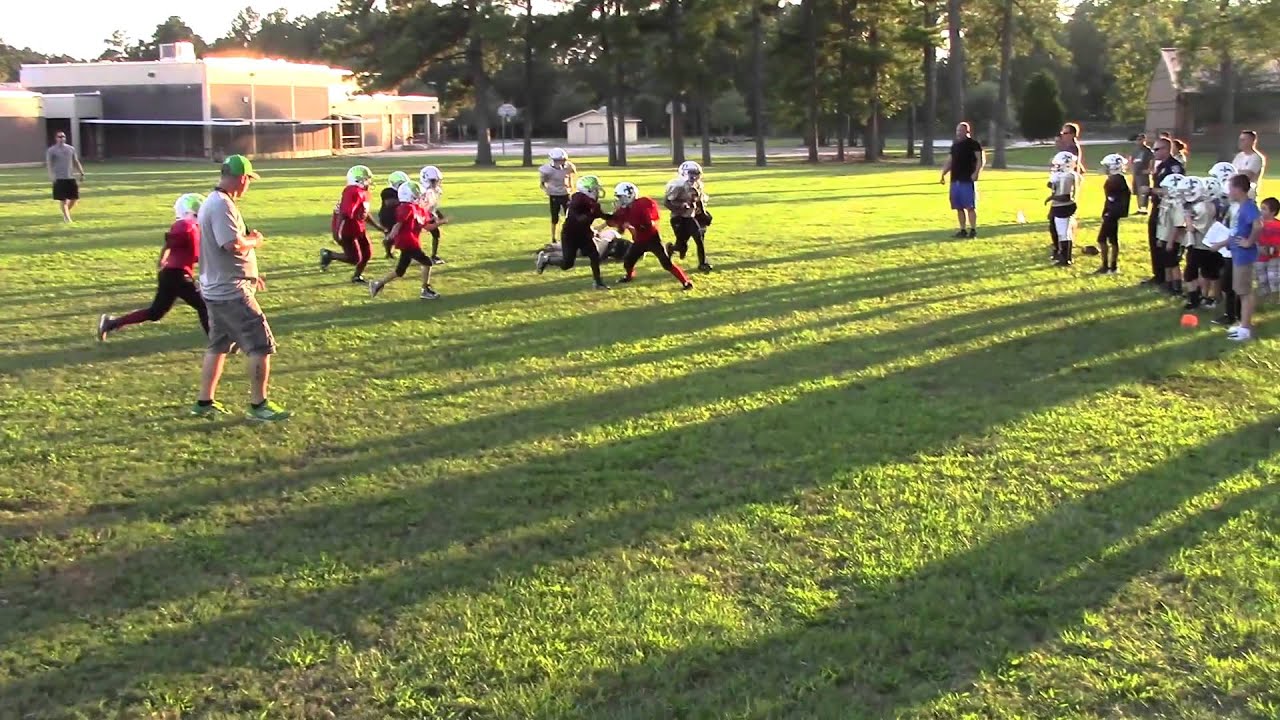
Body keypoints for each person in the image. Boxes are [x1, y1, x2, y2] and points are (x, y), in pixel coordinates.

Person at [192, 155, 289, 421]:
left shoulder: (213, 201)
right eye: (249, 180)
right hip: (230, 292)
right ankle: (259, 406)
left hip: (217, 288)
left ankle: (204, 401)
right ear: (242, 178)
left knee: (218, 345)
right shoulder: (222, 205)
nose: (248, 186)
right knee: (260, 345)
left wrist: (250, 274)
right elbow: (231, 244)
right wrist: (254, 241)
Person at [97, 193, 211, 341]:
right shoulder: (186, 225)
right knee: (205, 305)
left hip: (172, 274)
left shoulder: (190, 227)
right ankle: (217, 342)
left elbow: (185, 250)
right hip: (177, 275)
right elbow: (174, 242)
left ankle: (111, 323)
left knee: (155, 313)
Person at [369, 180, 447, 300]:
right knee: (427, 262)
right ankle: (425, 289)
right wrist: (390, 236)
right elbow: (398, 224)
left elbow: (427, 227)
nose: (421, 197)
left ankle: (377, 284)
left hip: (411, 242)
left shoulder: (417, 209)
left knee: (400, 271)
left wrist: (440, 222)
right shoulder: (407, 208)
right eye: (417, 194)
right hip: (407, 242)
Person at [607, 182, 693, 290]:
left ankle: (685, 282)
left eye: (621, 197)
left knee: (667, 264)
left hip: (652, 239)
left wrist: (632, 225)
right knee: (628, 262)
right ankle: (629, 276)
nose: (619, 200)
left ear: (629, 195)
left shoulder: (642, 204)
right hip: (639, 241)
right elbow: (620, 229)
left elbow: (648, 224)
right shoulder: (624, 210)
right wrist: (616, 219)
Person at [1208, 174, 1262, 342]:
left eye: (1231, 188)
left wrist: (1249, 242)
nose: (1229, 192)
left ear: (1238, 189)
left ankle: (1245, 329)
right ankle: (1243, 325)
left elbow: (1258, 225)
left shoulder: (1249, 206)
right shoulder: (1240, 206)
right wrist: (1221, 244)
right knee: (1240, 291)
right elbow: (1236, 233)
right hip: (1237, 254)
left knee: (1245, 292)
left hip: (1244, 256)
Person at [537, 174, 610, 290]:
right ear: (588, 190)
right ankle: (547, 259)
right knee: (567, 264)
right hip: (570, 236)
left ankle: (598, 282)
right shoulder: (578, 199)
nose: (597, 192)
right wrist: (591, 214)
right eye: (595, 189)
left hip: (584, 234)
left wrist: (617, 215)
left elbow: (603, 216)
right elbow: (577, 218)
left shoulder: (591, 203)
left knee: (594, 255)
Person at [320, 165, 380, 284]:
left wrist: (378, 227)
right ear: (358, 180)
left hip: (358, 227)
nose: (369, 181)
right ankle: (330, 255)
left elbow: (364, 213)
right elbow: (345, 213)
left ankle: (357, 277)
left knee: (367, 253)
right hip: (347, 229)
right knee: (354, 258)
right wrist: (340, 231)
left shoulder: (364, 192)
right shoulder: (352, 191)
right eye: (366, 179)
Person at [1145, 137, 1187, 287]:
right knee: (1155, 240)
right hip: (1159, 206)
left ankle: (1166, 277)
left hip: (1169, 209)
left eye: (1157, 149)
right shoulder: (1161, 165)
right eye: (1153, 149)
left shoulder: (1174, 167)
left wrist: (1151, 190)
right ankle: (1158, 274)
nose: (1154, 152)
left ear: (1166, 149)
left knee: (1164, 242)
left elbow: (1173, 191)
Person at [665, 160, 713, 272]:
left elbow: (699, 200)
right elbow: (667, 202)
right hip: (678, 218)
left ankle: (702, 263)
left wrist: (704, 214)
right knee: (681, 246)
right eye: (691, 173)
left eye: (696, 173)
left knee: (698, 237)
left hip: (690, 217)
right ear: (684, 173)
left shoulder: (698, 185)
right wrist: (680, 208)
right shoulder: (677, 186)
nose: (694, 176)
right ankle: (671, 248)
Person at [1180, 176, 1220, 309]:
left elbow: (1192, 228)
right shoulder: (1210, 203)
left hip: (1199, 244)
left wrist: (1186, 216)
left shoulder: (1200, 207)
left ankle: (1195, 298)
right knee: (1209, 273)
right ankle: (1206, 297)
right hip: (1209, 244)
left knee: (1192, 273)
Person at [939, 122, 984, 238]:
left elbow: (980, 160)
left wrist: (976, 173)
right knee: (958, 207)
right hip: (955, 179)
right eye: (957, 130)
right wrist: (943, 173)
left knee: (970, 206)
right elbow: (950, 161)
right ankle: (963, 230)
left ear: (967, 131)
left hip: (967, 179)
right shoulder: (955, 146)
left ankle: (973, 230)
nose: (958, 133)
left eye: (961, 130)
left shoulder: (974, 144)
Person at [1095, 154, 1131, 274]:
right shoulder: (1117, 178)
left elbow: (1117, 199)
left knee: (1102, 239)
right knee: (1112, 239)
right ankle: (1113, 266)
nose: (1105, 168)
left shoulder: (1116, 180)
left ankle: (1107, 266)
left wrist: (1110, 212)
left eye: (1107, 166)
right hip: (1112, 213)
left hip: (1112, 214)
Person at [1156, 171, 1188, 295]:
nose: (1163, 191)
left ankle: (1177, 287)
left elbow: (1178, 225)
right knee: (1166, 263)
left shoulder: (1177, 205)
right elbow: (1163, 222)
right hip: (1164, 236)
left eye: (1166, 188)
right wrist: (1160, 237)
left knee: (1173, 263)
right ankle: (1168, 285)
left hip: (1174, 239)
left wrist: (1170, 241)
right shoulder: (1166, 202)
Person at [1046, 151, 1080, 266]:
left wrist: (1051, 197)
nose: (1056, 167)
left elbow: (1066, 196)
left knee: (1063, 232)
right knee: (1054, 229)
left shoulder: (1068, 175)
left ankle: (1066, 258)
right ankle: (1059, 252)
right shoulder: (1061, 175)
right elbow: (1052, 186)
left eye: (1058, 165)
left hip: (1064, 206)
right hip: (1058, 205)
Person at [46, 131, 86, 223]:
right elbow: (49, 164)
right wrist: (51, 175)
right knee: (63, 200)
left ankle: (65, 213)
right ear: (56, 138)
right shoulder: (51, 150)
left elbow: (75, 161)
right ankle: (68, 219)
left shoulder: (71, 149)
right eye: (59, 137)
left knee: (74, 198)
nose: (61, 138)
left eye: (63, 136)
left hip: (70, 177)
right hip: (59, 178)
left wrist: (81, 173)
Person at [539, 148, 577, 244]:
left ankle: (570, 236)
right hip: (554, 195)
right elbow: (542, 183)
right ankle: (553, 237)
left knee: (570, 216)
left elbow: (572, 175)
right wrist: (547, 190)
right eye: (558, 160)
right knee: (555, 218)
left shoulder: (568, 167)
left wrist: (572, 188)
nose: (560, 162)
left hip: (565, 194)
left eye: (562, 160)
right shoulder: (547, 170)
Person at [419, 166, 448, 264]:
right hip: (418, 215)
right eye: (433, 180)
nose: (435, 183)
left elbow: (433, 205)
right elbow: (422, 207)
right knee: (414, 235)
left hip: (426, 214)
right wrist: (433, 216)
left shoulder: (435, 191)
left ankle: (433, 255)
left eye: (436, 180)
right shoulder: (422, 191)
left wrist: (439, 215)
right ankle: (416, 255)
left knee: (436, 233)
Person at [379, 171, 411, 258]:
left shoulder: (404, 191)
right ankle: (388, 252)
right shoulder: (388, 192)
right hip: (388, 216)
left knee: (398, 234)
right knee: (391, 235)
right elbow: (389, 203)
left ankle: (400, 252)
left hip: (397, 215)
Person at [1254, 196, 1280, 304]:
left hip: (1274, 256)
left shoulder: (1277, 225)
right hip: (1260, 256)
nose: (1261, 211)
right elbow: (1254, 237)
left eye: (1264, 209)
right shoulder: (1257, 223)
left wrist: (1274, 248)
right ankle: (1264, 297)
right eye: (1261, 208)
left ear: (1273, 212)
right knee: (1261, 277)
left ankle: (1275, 297)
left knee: (1273, 277)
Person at [1233, 130, 1267, 197]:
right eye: (1240, 140)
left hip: (1248, 193)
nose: (1240, 142)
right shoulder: (1239, 156)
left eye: (1243, 140)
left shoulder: (1256, 158)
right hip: (1235, 191)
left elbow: (1247, 175)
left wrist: (1235, 172)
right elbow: (1232, 171)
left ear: (1252, 141)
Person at [1128, 133, 1154, 214]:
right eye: (1137, 140)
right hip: (1136, 173)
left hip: (1143, 174)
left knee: (1143, 190)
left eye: (1140, 140)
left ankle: (1144, 208)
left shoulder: (1147, 150)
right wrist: (1130, 167)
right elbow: (1131, 159)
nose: (1138, 141)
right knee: (1137, 191)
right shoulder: (1136, 150)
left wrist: (1149, 169)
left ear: (1144, 140)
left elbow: (1152, 160)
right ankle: (1139, 208)